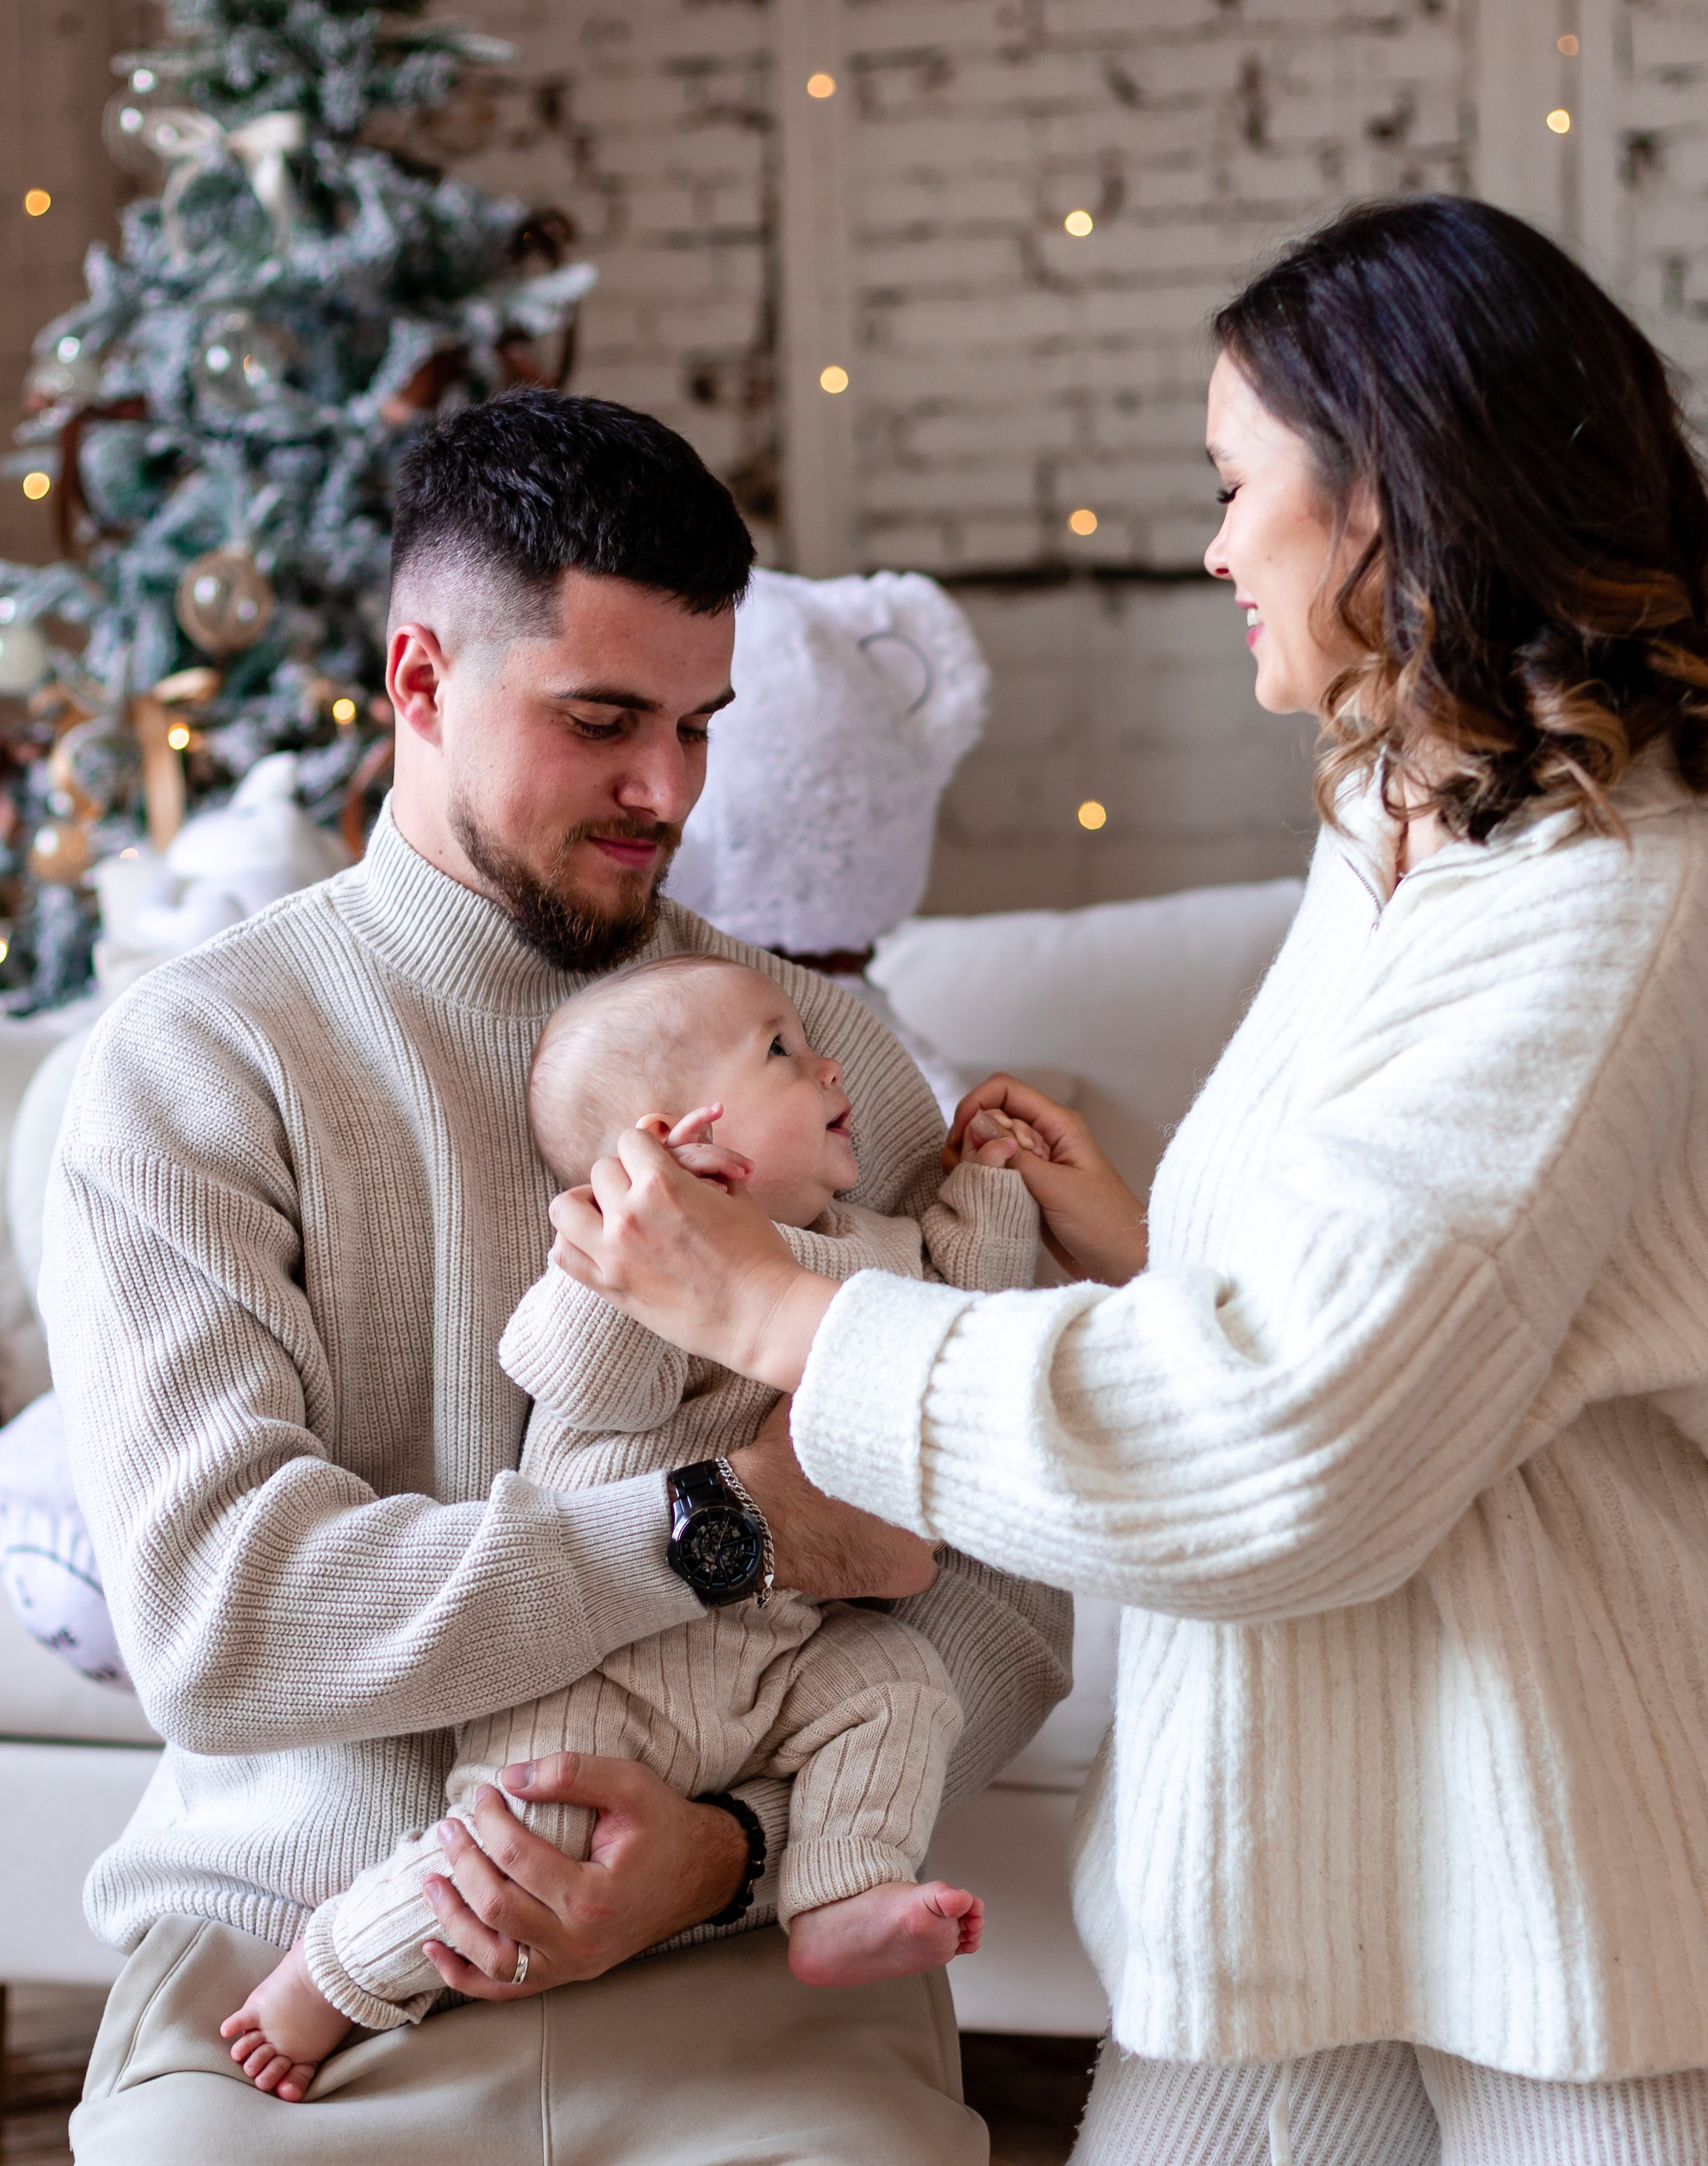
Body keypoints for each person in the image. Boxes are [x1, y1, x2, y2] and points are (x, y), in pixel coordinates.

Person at [541, 198, 1708, 2164]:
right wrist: (1155, 1256)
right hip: (1288, 1869)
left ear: (1391, 496)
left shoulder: (1609, 901)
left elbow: (1301, 1447)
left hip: (1590, 1902)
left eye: (1240, 488)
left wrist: (775, 1311)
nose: (1217, 544)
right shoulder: (1402, 820)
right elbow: (1428, 1316)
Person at [45, 388, 1071, 2165]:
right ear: (421, 681)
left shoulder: (825, 1049)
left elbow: (1003, 1587)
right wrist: (721, 1525)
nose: (667, 792)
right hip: (295, 1965)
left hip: (754, 1974)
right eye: (603, 722)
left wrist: (732, 1854)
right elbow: (221, 1617)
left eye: (696, 724)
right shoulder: (197, 1058)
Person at [219, 953, 1045, 2098]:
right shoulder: (632, 1252)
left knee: (903, 1682)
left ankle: (842, 1889)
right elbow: (569, 1379)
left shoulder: (874, 1245)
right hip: (600, 1675)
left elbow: (963, 1331)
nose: (826, 1062)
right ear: (679, 1135)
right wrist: (642, 1237)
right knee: (506, 1857)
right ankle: (332, 1974)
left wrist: (992, 1195)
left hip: (783, 1658)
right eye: (780, 1052)